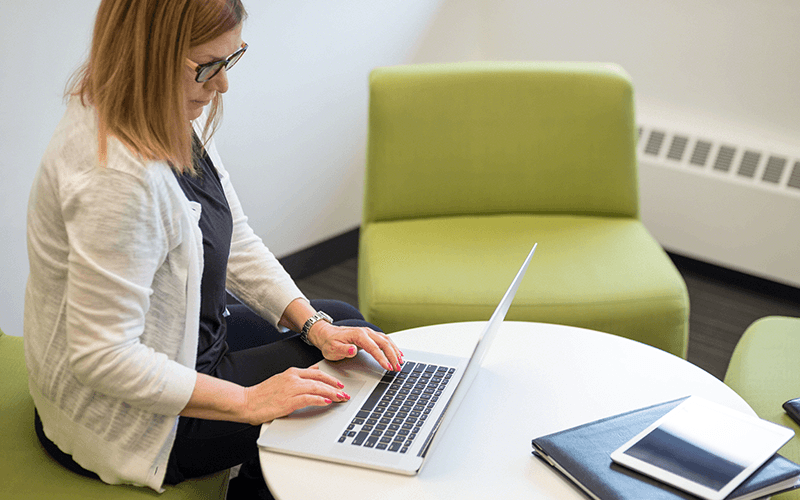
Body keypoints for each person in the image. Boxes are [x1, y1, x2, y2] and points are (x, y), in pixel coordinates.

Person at [23, 0, 403, 496]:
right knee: (345, 394)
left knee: (346, 328)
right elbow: (103, 357)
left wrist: (311, 322)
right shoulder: (114, 179)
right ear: (147, 57)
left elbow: (233, 235)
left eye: (231, 59)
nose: (222, 84)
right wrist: (251, 402)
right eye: (208, 67)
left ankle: (253, 477)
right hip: (138, 420)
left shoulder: (166, 109)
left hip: (188, 343)